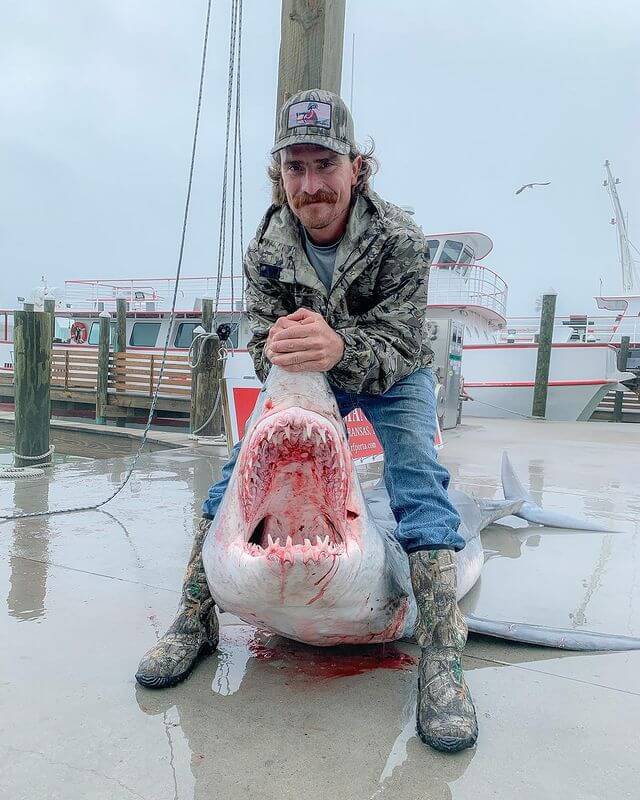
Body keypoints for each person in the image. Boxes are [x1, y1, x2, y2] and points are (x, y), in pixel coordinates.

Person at [136, 89, 478, 753]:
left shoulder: (401, 238)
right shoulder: (267, 247)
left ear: (357, 167)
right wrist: (286, 347)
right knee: (234, 478)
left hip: (389, 370)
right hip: (314, 369)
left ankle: (442, 661)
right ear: (281, 173)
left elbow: (409, 342)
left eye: (326, 165)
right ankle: (195, 618)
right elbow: (265, 338)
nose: (312, 185)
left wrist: (340, 347)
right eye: (296, 168)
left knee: (419, 483)